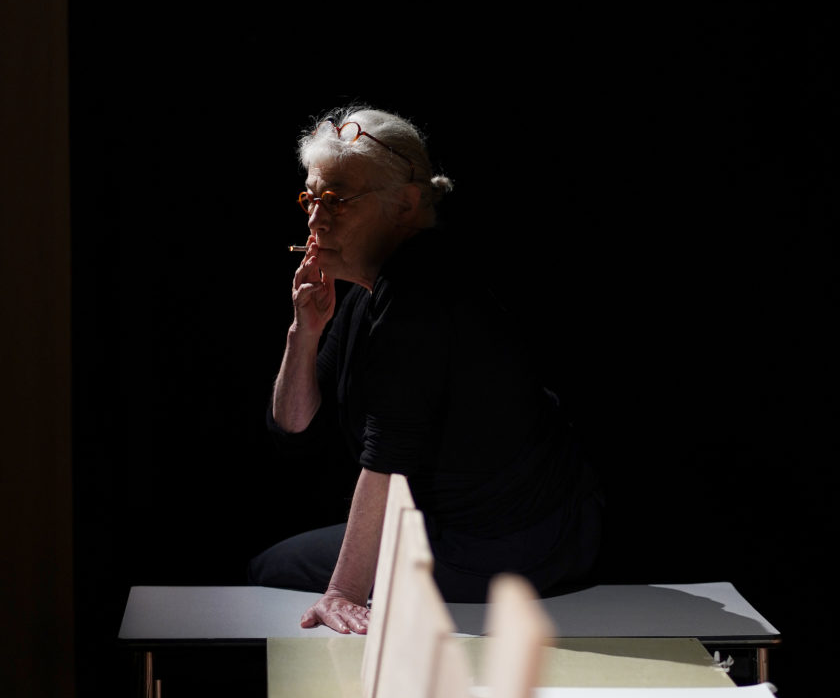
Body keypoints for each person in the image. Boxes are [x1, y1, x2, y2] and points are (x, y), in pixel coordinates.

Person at [249, 104, 603, 634]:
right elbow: (294, 426)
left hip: (510, 540)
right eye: (310, 198)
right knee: (276, 565)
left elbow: (390, 457)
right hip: (463, 527)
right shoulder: (370, 291)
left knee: (269, 571)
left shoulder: (421, 286)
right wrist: (304, 331)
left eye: (337, 201)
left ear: (405, 204)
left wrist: (343, 592)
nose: (315, 219)